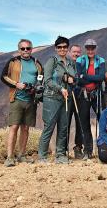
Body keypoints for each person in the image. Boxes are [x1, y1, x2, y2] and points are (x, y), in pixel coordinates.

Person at [1, 39, 43, 167]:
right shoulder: (13, 62)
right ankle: (9, 157)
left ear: (31, 49)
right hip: (17, 99)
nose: (26, 51)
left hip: (31, 100)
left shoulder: (37, 63)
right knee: (14, 127)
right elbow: (3, 76)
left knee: (25, 128)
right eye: (23, 48)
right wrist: (16, 84)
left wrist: (37, 88)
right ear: (19, 50)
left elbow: (41, 78)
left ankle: (22, 155)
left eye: (28, 48)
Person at [38, 36, 76, 164]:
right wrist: (60, 88)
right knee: (49, 126)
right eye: (59, 47)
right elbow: (47, 80)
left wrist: (72, 80)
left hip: (67, 98)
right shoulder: (52, 61)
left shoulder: (71, 63)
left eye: (65, 47)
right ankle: (42, 156)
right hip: (52, 98)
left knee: (63, 127)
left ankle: (60, 154)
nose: (62, 49)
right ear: (56, 48)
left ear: (68, 48)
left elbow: (74, 78)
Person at [75, 39, 106, 160]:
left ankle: (103, 148)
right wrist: (94, 78)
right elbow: (79, 79)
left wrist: (85, 76)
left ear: (95, 48)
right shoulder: (80, 60)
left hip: (97, 94)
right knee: (84, 122)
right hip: (83, 95)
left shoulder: (101, 60)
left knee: (102, 120)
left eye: (92, 48)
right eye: (88, 48)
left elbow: (101, 77)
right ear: (85, 49)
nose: (90, 50)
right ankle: (88, 151)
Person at [67, 44, 85, 159]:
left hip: (80, 97)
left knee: (80, 123)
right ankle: (63, 149)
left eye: (78, 52)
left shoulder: (82, 65)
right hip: (68, 97)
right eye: (74, 52)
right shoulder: (66, 64)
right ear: (70, 52)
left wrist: (76, 80)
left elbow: (85, 80)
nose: (76, 54)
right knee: (66, 123)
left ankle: (78, 148)